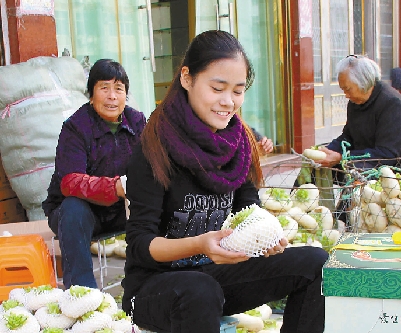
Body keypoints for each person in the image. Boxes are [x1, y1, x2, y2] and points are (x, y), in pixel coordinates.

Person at [121, 30, 327, 333]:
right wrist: (199, 245)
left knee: (316, 264)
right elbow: (140, 244)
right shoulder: (154, 144)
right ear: (187, 78)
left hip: (217, 277)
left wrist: (265, 237)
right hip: (155, 288)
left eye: (238, 90)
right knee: (200, 290)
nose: (228, 102)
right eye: (217, 88)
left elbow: (249, 209)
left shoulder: (239, 142)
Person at [42, 59, 146, 288]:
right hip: (81, 214)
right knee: (72, 208)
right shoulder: (75, 127)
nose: (112, 96)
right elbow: (70, 182)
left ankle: (154, 283)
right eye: (104, 88)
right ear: (91, 94)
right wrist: (115, 187)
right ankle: (82, 294)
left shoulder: (137, 121)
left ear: (125, 94)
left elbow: (154, 162)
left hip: (121, 210)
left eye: (118, 89)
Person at [316, 55, 401, 171]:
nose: (346, 95)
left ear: (363, 83)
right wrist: (328, 150)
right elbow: (348, 137)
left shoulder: (392, 103)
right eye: (343, 90)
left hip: (397, 169)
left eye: (348, 89)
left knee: (354, 173)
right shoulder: (355, 101)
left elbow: (386, 154)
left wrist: (341, 157)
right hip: (365, 161)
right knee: (317, 167)